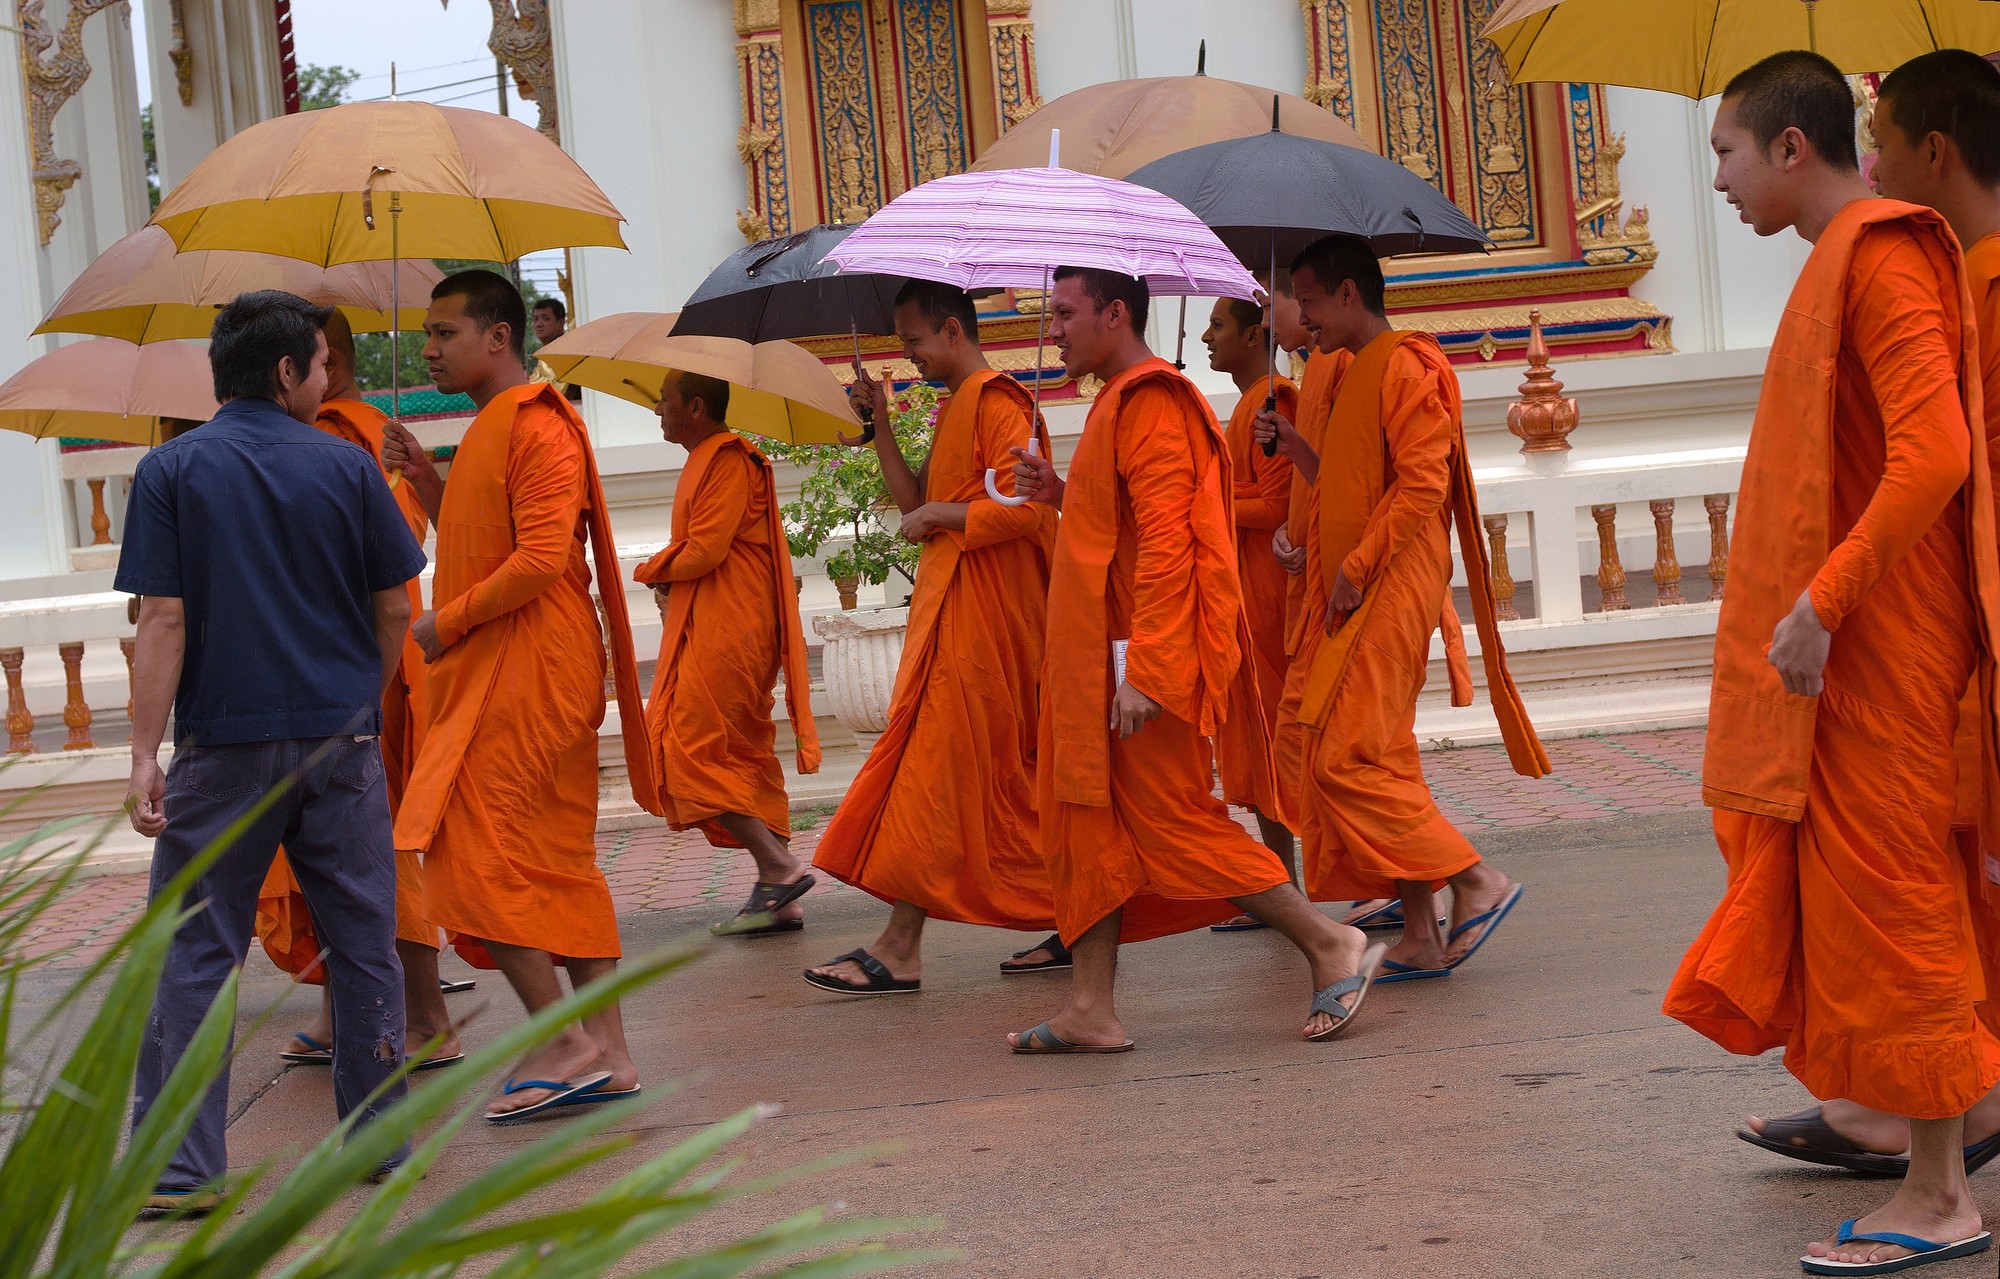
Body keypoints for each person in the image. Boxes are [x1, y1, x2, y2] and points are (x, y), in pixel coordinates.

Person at [1661, 50, 2000, 1274]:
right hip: (1850, 657)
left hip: (1878, 651)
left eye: (1723, 153)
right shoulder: (1842, 263)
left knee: (1896, 902)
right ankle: (1932, 1134)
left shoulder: (1885, 254)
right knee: (1878, 903)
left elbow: (1934, 455)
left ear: (1791, 149)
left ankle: (1938, 1195)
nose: (1714, 182)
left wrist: (1820, 598)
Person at [1004, 266, 1386, 1053]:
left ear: (1114, 314)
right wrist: (1059, 493)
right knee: (1088, 824)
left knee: (1174, 821)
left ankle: (1327, 942)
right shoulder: (1120, 402)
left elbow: (1171, 544)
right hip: (1099, 656)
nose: (1055, 329)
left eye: (1066, 313)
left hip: (1131, 657)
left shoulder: (1151, 402)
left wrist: (1148, 665)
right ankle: (1091, 1005)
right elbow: (1126, 524)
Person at [121, 289, 427, 1211]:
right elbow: (395, 608)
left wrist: (143, 751)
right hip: (339, 739)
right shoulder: (346, 467)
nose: (331, 376)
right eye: (322, 363)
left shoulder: (171, 472)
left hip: (224, 744)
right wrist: (356, 703)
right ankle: (379, 1147)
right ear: (288, 372)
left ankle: (181, 1172)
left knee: (195, 948)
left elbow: (162, 618)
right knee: (363, 941)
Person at [383, 269, 656, 1122]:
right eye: (426, 334)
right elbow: (482, 535)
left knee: (468, 845)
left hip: (530, 664)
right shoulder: (496, 424)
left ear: (497, 336)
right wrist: (426, 478)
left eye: (444, 331)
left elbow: (539, 559)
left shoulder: (538, 422)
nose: (428, 347)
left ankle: (562, 1038)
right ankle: (606, 1052)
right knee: (548, 856)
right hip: (507, 660)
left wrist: (443, 625)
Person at [1257, 234, 1544, 984]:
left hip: (1391, 580)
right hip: (1357, 581)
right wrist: (1293, 448)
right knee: (1369, 749)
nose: (1303, 318)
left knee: (1345, 753)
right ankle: (1420, 927)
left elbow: (1420, 485)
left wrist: (1353, 566)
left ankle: (1476, 879)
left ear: (1350, 294)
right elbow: (1351, 481)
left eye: (1310, 301)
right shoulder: (1352, 371)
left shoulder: (1408, 363)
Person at [804, 280, 1060, 993]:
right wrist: (878, 421)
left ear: (952, 330)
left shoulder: (1002, 401)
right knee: (980, 783)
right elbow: (913, 499)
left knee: (939, 778)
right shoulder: (959, 406)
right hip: (955, 615)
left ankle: (900, 945)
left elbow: (1023, 512)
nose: (908, 355)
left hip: (991, 625)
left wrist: (947, 517)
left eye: (913, 341)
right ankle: (1077, 912)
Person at [256, 308, 460, 1070]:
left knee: (373, 845)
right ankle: (340, 1008)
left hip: (364, 673)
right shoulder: (347, 437)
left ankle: (430, 1015)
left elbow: (376, 565)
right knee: (326, 848)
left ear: (320, 362)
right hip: (341, 668)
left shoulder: (350, 438)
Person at [637, 369, 821, 936]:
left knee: (685, 745)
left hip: (730, 629)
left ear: (695, 406)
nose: (659, 412)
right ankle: (779, 895)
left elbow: (705, 551)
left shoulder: (731, 460)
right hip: (717, 623)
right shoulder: (705, 458)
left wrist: (650, 569)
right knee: (741, 752)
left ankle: (779, 864)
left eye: (665, 402)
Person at [1201, 297, 1300, 933]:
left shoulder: (1273, 403)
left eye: (1219, 327)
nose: (1209, 337)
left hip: (1270, 600)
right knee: (1261, 750)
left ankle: (1383, 879)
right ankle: (1279, 884)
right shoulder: (1244, 404)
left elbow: (1274, 507)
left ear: (1253, 334)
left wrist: (1203, 499)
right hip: (1243, 597)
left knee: (1283, 747)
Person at [531, 297, 583, 402]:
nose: (538, 324)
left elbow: (554, 390)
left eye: (545, 318)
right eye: (535, 319)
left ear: (560, 323)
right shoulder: (547, 351)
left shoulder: (565, 351)